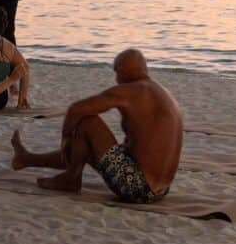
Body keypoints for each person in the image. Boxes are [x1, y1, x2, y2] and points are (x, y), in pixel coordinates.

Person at [10, 49, 183, 203]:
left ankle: (71, 177)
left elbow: (76, 110)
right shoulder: (165, 93)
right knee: (84, 145)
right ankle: (27, 159)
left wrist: (66, 138)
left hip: (137, 187)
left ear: (120, 72)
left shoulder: (130, 90)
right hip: (160, 190)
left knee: (87, 121)